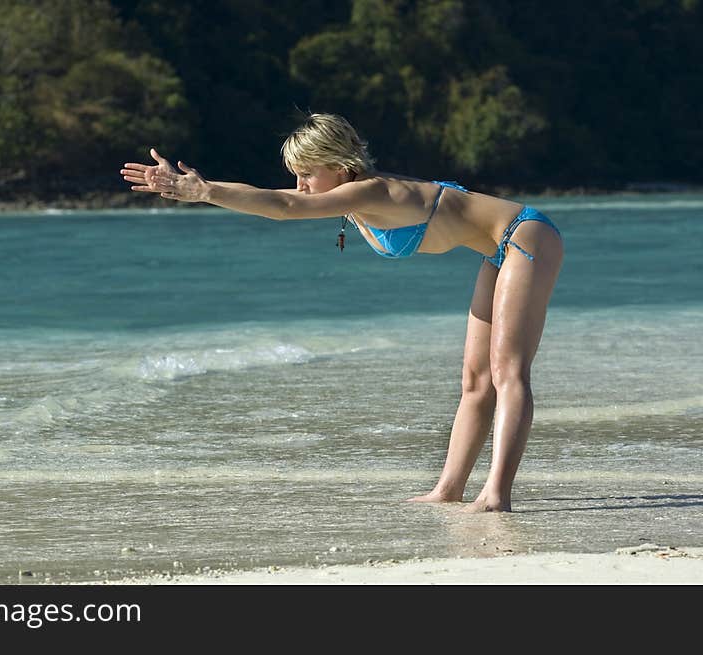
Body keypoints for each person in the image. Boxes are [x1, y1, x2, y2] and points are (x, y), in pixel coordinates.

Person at [120, 113, 563, 512]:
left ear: (339, 164)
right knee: (474, 381)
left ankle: (496, 494)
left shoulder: (373, 190)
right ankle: (449, 488)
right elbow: (279, 198)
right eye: (296, 175)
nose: (301, 186)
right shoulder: (350, 200)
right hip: (498, 251)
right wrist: (208, 191)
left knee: (507, 372)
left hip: (525, 236)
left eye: (307, 174)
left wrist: (203, 191)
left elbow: (285, 208)